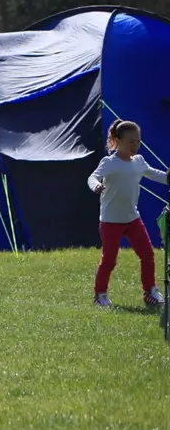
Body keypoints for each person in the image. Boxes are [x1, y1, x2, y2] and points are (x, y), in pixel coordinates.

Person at [88, 119, 167, 309]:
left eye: (138, 141)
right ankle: (100, 295)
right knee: (109, 260)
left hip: (133, 219)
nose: (135, 145)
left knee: (147, 255)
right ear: (117, 141)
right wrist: (96, 185)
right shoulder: (109, 163)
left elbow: (156, 174)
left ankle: (150, 292)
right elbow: (93, 177)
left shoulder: (139, 162)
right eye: (131, 141)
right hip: (110, 221)